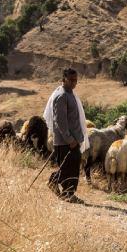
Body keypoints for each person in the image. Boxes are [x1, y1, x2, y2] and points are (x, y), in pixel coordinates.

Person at [43, 68, 89, 203]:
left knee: (73, 167)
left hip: (73, 139)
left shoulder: (70, 95)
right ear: (64, 80)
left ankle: (68, 193)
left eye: (76, 80)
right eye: (71, 80)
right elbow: (60, 121)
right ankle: (56, 183)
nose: (74, 83)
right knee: (67, 168)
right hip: (66, 141)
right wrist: (69, 139)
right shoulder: (62, 96)